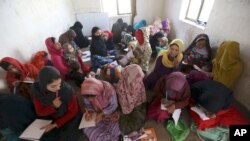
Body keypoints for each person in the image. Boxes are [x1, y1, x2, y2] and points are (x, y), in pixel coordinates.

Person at [30, 66, 81, 141]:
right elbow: (40, 112)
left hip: (69, 116)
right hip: (52, 116)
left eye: (60, 83)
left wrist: (55, 124)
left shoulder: (67, 90)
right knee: (44, 136)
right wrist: (53, 106)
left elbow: (73, 111)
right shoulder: (37, 90)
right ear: (43, 85)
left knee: (66, 136)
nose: (58, 88)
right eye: (53, 86)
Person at [115, 64, 147, 135]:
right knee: (124, 128)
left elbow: (141, 94)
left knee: (139, 118)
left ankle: (135, 129)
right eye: (136, 80)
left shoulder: (138, 80)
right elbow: (124, 104)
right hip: (126, 107)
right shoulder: (121, 87)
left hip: (137, 103)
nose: (138, 82)